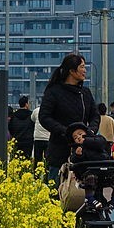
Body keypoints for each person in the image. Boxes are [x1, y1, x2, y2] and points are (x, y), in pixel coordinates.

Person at [39, 53, 100, 183]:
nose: (85, 71)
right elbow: (44, 117)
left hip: (83, 151)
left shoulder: (85, 93)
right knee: (56, 190)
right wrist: (67, 132)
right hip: (59, 150)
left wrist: (89, 132)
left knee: (83, 192)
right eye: (82, 67)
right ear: (72, 71)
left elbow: (95, 115)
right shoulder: (54, 91)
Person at [68, 122, 114, 211]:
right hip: (89, 172)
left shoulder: (97, 139)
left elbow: (101, 143)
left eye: (80, 134)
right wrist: (78, 155)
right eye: (75, 137)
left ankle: (113, 202)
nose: (79, 137)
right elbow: (74, 160)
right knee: (90, 179)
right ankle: (90, 199)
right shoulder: (76, 149)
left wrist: (86, 141)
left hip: (104, 170)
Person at [8, 95, 35, 160]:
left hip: (17, 141)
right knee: (27, 160)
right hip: (28, 142)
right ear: (26, 104)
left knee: (17, 160)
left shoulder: (14, 116)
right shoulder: (31, 115)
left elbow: (10, 127)